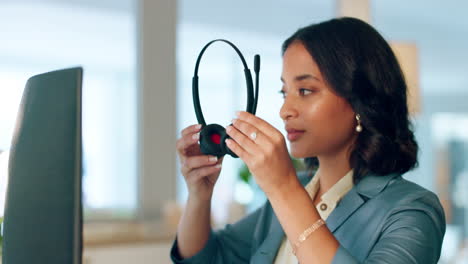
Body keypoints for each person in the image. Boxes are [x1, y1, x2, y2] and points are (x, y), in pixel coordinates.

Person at [171, 17, 446, 263]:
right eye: (284, 92)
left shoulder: (412, 210)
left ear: (360, 102)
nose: (284, 110)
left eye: (305, 90)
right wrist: (199, 195)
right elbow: (208, 258)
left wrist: (284, 189)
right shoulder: (294, 192)